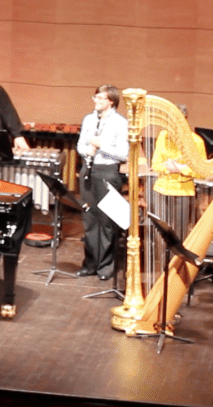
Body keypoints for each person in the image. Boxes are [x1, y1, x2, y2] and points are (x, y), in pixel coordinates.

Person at [75, 85, 128, 281]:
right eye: (95, 97)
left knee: (106, 222)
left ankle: (105, 266)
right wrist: (86, 150)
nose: (95, 101)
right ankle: (90, 263)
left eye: (100, 98)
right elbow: (80, 145)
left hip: (108, 172)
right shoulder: (88, 119)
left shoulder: (121, 123)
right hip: (88, 170)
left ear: (110, 101)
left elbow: (123, 154)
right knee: (89, 220)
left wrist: (101, 146)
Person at [149, 104, 207, 234]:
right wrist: (169, 168)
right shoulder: (163, 136)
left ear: (184, 120)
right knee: (161, 231)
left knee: (179, 232)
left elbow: (202, 172)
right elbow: (155, 164)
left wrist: (180, 169)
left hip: (183, 192)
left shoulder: (196, 141)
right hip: (161, 189)